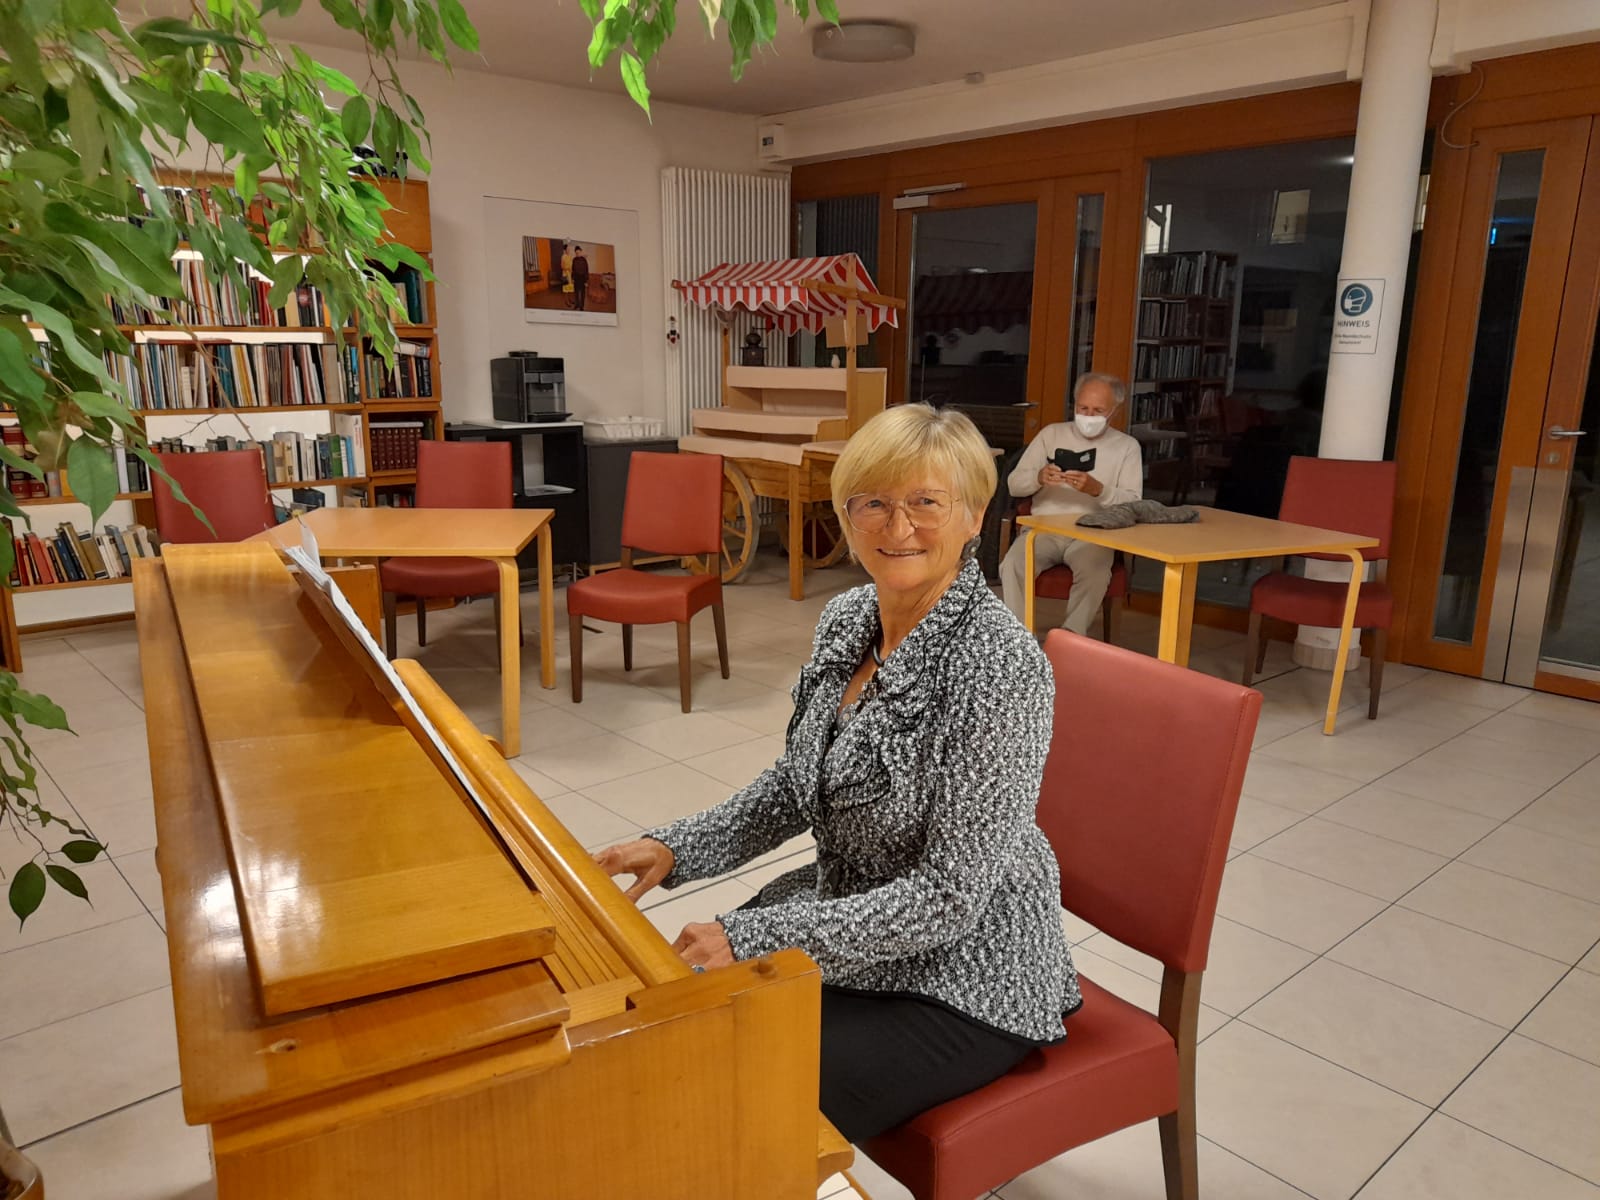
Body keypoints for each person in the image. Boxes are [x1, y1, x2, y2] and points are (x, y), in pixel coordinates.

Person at [595, 404, 1081, 1143]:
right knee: (672, 1024)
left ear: (974, 515)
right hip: (852, 910)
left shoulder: (1001, 665)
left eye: (926, 502)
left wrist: (752, 936)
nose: (897, 527)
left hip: (968, 969)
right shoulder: (849, 618)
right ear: (844, 515)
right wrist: (674, 850)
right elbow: (799, 782)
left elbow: (948, 899)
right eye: (872, 503)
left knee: (736, 1090)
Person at [999, 372, 1143, 635]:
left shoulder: (1127, 447)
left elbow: (1134, 503)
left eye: (1098, 410)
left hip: (1094, 533)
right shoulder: (1050, 435)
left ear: (1114, 411)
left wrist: (1098, 490)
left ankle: (1070, 638)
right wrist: (1039, 477)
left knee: (1095, 572)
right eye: (1082, 408)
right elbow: (1014, 484)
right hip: (1044, 530)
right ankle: (1018, 640)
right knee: (1013, 564)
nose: (1088, 416)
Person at [571, 245, 590, 311]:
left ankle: (582, 306)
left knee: (582, 293)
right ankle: (577, 305)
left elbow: (586, 270)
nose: (577, 254)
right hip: (576, 278)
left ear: (581, 252)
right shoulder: (574, 260)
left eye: (578, 253)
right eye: (576, 253)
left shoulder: (584, 260)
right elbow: (573, 269)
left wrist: (586, 281)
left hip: (582, 278)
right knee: (576, 293)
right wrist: (572, 278)